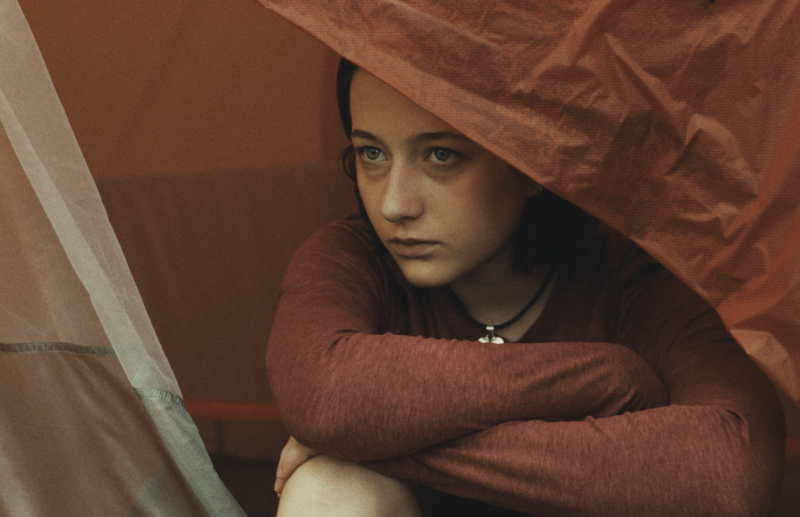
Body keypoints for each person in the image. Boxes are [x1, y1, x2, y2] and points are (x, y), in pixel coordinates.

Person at [266, 59, 786, 516]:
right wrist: (606, 374)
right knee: (328, 491)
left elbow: (730, 476)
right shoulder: (351, 257)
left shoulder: (639, 276)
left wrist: (371, 439)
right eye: (372, 155)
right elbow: (322, 393)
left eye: (440, 156)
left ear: (532, 163)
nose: (394, 204)